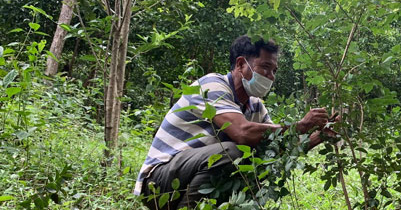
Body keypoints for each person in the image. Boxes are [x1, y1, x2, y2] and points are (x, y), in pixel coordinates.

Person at [135, 35, 333, 210]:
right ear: (240, 64)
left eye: (274, 70)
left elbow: (276, 151)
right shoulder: (211, 84)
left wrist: (319, 136)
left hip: (194, 180)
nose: (270, 76)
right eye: (265, 67)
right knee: (233, 152)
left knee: (258, 165)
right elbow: (242, 132)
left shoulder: (256, 107)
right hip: (159, 183)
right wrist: (300, 126)